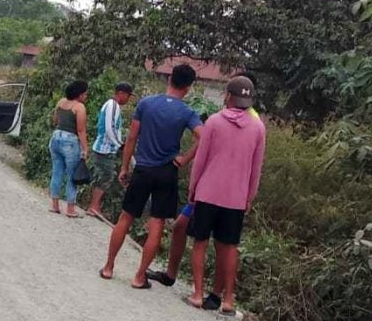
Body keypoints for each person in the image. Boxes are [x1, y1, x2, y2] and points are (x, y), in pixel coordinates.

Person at [99, 63, 203, 289]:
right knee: (156, 223)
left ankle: (108, 267)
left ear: (169, 80)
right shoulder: (187, 112)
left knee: (125, 217)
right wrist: (184, 159)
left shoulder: (146, 104)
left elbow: (132, 138)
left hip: (143, 168)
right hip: (167, 171)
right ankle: (139, 276)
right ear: (188, 87)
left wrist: (125, 167)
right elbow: (203, 137)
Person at [150, 73, 260, 286]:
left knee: (221, 245)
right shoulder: (234, 117)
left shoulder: (247, 120)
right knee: (183, 227)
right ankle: (173, 274)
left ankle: (215, 293)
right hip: (213, 186)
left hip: (221, 191)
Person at [186, 76, 266, 315]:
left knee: (200, 243)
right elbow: (256, 168)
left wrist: (193, 187)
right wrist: (249, 196)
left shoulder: (214, 121)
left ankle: (198, 294)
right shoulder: (258, 128)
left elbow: (200, 159)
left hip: (208, 192)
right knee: (229, 247)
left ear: (228, 96)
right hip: (236, 198)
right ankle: (228, 299)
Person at [87, 82, 134, 221]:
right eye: (128, 96)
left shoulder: (112, 106)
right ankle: (94, 206)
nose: (128, 99)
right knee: (106, 176)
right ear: (121, 93)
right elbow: (110, 128)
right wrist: (119, 144)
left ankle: (95, 205)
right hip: (105, 148)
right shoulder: (113, 106)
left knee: (103, 176)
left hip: (106, 147)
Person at [48, 81, 90, 218]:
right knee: (72, 175)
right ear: (79, 94)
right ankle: (70, 208)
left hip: (56, 138)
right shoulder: (79, 107)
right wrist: (85, 148)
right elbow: (81, 130)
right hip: (70, 141)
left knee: (57, 172)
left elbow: (55, 120)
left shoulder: (61, 102)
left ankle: (54, 205)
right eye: (85, 93)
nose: (86, 95)